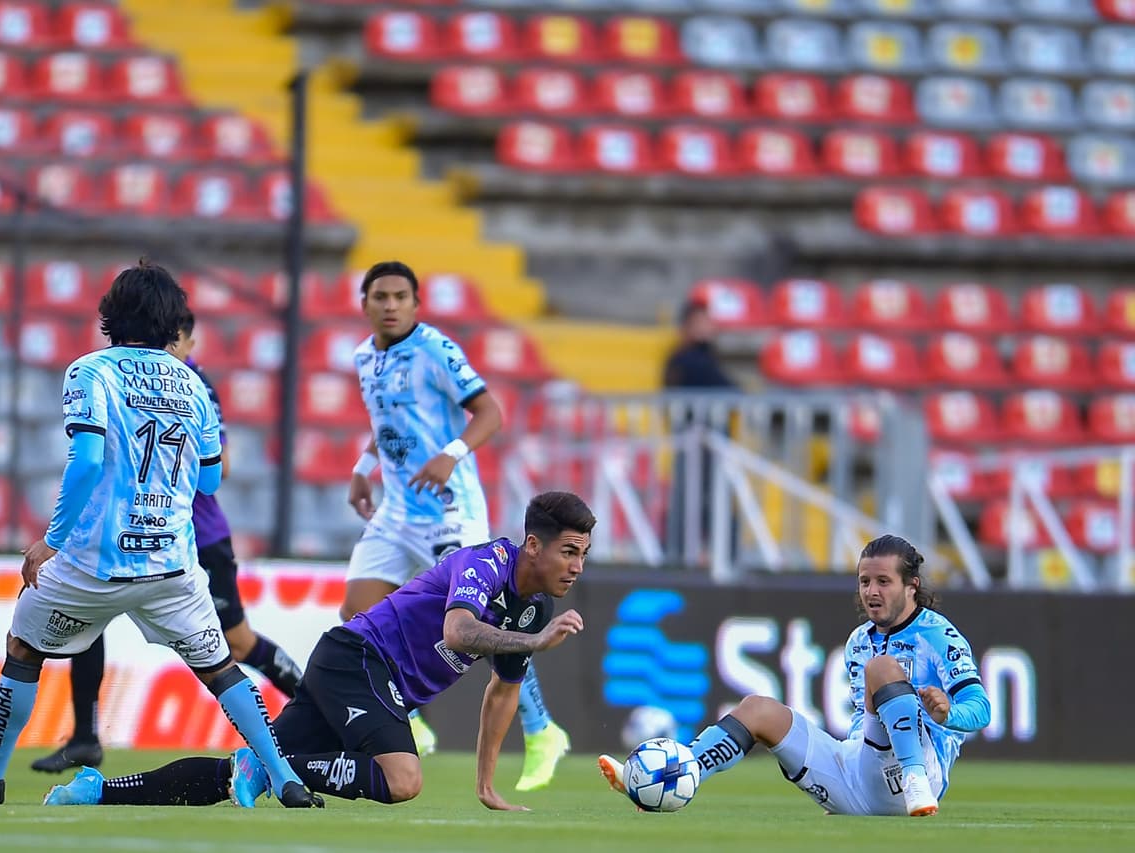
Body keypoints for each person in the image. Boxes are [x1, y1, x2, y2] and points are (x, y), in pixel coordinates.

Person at [0, 261, 318, 808]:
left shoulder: (90, 371)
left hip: (94, 562)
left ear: (111, 315)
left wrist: (52, 539)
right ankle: (283, 775)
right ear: (173, 324)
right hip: (171, 565)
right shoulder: (192, 383)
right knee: (220, 669)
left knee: (24, 647)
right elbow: (211, 478)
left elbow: (88, 459)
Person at [42, 491, 595, 811]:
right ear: (531, 545)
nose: (576, 565)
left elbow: (503, 693)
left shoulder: (533, 607)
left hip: (362, 677)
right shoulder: (485, 564)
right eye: (568, 551)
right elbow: (457, 632)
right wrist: (535, 641)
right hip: (358, 660)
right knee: (403, 780)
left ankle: (96, 792)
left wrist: (485, 784)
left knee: (228, 777)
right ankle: (265, 768)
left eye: (583, 555)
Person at [30, 308, 304, 774]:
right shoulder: (120, 374)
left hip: (193, 539)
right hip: (125, 538)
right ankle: (84, 736)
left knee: (235, 645)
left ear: (188, 343)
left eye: (176, 338)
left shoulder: (191, 383)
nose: (166, 345)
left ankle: (318, 706)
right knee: (87, 624)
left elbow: (220, 470)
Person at [341, 259, 570, 791]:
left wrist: (451, 453)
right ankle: (409, 722)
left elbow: (490, 412)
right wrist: (362, 467)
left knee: (489, 623)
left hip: (449, 508)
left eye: (401, 296)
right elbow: (387, 423)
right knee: (355, 608)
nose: (391, 305)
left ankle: (542, 733)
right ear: (365, 304)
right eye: (381, 296)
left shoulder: (435, 349)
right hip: (398, 509)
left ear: (416, 304)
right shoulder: (362, 358)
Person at [599, 534, 991, 817]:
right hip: (858, 773)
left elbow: (981, 708)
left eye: (883, 582)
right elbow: (866, 722)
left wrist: (948, 714)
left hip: (919, 773)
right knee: (758, 709)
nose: (871, 591)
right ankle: (674, 776)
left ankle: (915, 783)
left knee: (881, 669)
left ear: (912, 586)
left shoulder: (938, 635)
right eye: (865, 581)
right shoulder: (859, 640)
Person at [663, 296, 738, 566]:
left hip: (710, 443)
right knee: (692, 500)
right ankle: (684, 553)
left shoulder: (707, 358)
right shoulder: (685, 360)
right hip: (696, 442)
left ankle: (716, 552)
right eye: (700, 322)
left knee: (713, 501)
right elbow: (729, 390)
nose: (707, 327)